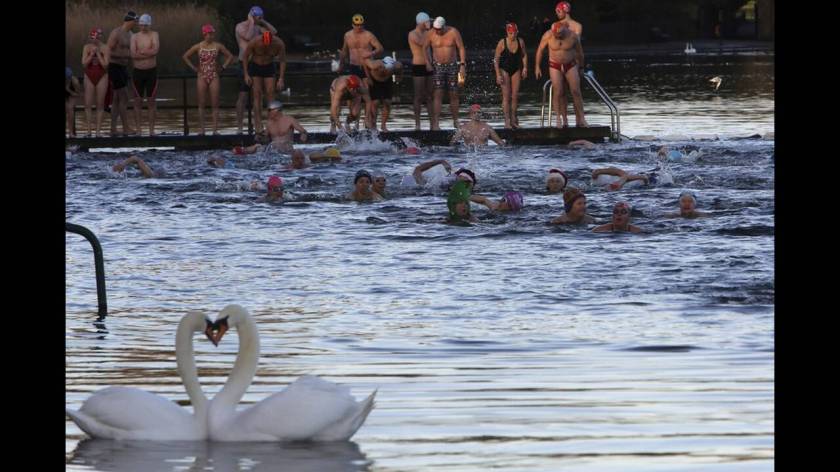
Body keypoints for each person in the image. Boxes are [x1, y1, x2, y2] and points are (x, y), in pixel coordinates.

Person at [182, 24, 235, 135]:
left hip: (214, 75)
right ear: (204, 34)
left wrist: (223, 67)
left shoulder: (218, 46)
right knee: (201, 103)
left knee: (215, 103)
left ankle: (215, 130)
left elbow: (230, 56)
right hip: (202, 75)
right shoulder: (198, 46)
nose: (211, 36)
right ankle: (202, 130)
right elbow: (185, 56)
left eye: (212, 33)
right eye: (209, 34)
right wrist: (193, 68)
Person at [234, 6, 278, 134]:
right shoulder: (240, 26)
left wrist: (263, 22)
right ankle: (240, 127)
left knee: (258, 96)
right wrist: (252, 22)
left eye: (260, 16)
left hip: (256, 64)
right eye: (257, 16)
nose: (258, 19)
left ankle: (259, 126)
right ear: (251, 16)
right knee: (243, 95)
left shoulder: (259, 28)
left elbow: (274, 33)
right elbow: (247, 37)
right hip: (244, 63)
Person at [535, 21, 587, 127]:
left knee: (576, 91)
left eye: (559, 35)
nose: (557, 36)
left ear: (564, 30)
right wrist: (537, 66)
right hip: (555, 65)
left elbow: (580, 53)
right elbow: (540, 50)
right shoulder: (548, 35)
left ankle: (582, 118)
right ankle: (560, 118)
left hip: (570, 65)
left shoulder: (573, 36)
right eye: (555, 35)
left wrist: (581, 67)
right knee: (558, 92)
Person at [424, 16, 467, 130]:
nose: (437, 31)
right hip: (437, 67)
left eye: (439, 29)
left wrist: (462, 65)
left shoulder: (453, 32)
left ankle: (456, 121)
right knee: (438, 94)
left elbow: (461, 48)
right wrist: (428, 63)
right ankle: (436, 123)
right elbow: (424, 48)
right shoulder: (431, 34)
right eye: (436, 29)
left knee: (454, 94)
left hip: (452, 66)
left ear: (444, 26)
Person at [243, 30, 286, 135]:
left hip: (269, 66)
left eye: (269, 43)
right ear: (261, 38)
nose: (266, 45)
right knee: (257, 95)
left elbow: (282, 61)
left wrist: (281, 78)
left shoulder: (279, 44)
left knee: (270, 94)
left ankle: (271, 124)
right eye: (264, 43)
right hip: (255, 67)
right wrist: (246, 74)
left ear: (272, 40)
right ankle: (258, 126)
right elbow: (245, 57)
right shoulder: (254, 42)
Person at [106, 11, 138, 136]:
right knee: (124, 97)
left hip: (123, 68)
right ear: (129, 20)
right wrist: (124, 55)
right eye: (135, 21)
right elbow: (108, 50)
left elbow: (132, 52)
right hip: (114, 66)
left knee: (116, 99)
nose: (136, 23)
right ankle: (126, 128)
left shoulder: (131, 34)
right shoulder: (116, 33)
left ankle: (113, 129)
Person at [494, 22, 527, 129]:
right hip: (504, 70)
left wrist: (525, 67)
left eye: (514, 33)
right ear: (507, 33)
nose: (512, 35)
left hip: (516, 69)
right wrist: (498, 74)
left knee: (515, 96)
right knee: (506, 96)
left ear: (517, 32)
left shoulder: (520, 41)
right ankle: (507, 121)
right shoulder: (502, 43)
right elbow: (496, 60)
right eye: (510, 33)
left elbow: (524, 55)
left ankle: (514, 120)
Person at [130, 14, 160, 136]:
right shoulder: (134, 37)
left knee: (151, 101)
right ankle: (139, 130)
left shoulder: (154, 35)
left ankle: (152, 131)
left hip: (151, 71)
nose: (143, 27)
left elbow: (156, 50)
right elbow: (133, 54)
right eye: (141, 25)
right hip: (138, 72)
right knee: (137, 101)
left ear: (149, 24)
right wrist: (148, 52)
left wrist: (141, 52)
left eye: (145, 25)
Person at [82, 27, 109, 137]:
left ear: (101, 37)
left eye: (98, 37)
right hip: (89, 75)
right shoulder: (86, 47)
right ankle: (88, 130)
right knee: (88, 104)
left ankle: (97, 131)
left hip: (102, 75)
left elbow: (106, 65)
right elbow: (84, 64)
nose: (95, 40)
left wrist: (98, 54)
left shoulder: (105, 48)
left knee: (100, 104)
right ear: (90, 37)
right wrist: (91, 54)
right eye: (93, 37)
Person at [363, 56, 403, 132]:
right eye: (386, 70)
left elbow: (401, 71)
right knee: (375, 102)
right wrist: (368, 77)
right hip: (375, 81)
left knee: (387, 102)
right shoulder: (376, 64)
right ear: (382, 67)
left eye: (389, 71)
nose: (387, 72)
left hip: (387, 82)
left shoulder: (397, 65)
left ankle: (383, 125)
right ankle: (373, 124)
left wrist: (399, 77)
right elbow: (365, 62)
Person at [408, 12, 433, 130]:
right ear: (422, 23)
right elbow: (424, 44)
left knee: (429, 96)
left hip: (430, 66)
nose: (430, 24)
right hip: (419, 66)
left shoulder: (428, 33)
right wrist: (429, 31)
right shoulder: (412, 34)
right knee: (418, 96)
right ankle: (417, 124)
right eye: (427, 22)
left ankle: (433, 124)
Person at [339, 14, 384, 79]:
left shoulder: (369, 35)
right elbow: (344, 51)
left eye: (361, 25)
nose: (359, 27)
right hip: (353, 66)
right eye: (357, 25)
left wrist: (371, 53)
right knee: (355, 87)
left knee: (370, 86)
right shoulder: (347, 35)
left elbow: (380, 48)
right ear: (352, 25)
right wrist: (341, 65)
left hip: (367, 65)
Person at [591, 166, 673, 191]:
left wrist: (600, 171)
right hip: (646, 178)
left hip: (650, 177)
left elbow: (619, 172)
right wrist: (622, 181)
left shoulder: (597, 177)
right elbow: (644, 178)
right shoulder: (625, 185)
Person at [66, 67, 82, 137]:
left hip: (72, 94)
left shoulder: (75, 81)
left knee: (70, 108)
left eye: (68, 79)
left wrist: (69, 90)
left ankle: (71, 132)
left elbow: (79, 95)